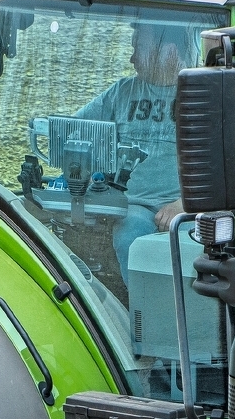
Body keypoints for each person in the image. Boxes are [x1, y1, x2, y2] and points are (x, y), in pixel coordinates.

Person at [74, 22, 196, 267]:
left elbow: (225, 165)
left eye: (138, 48)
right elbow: (74, 128)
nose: (131, 58)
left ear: (167, 50)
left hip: (187, 207)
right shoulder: (122, 92)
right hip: (133, 206)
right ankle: (139, 306)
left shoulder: (200, 95)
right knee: (130, 234)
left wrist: (184, 203)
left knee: (196, 247)